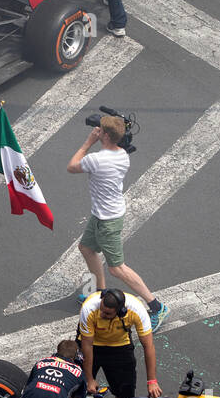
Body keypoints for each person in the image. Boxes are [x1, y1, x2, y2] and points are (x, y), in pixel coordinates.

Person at [68, 115, 169, 323]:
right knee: (86, 248)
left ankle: (157, 306)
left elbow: (72, 166)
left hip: (108, 221)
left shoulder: (96, 159)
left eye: (101, 130)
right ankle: (101, 294)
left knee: (117, 268)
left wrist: (88, 141)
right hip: (102, 214)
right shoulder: (123, 155)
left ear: (104, 135)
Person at [78, 288, 161, 398]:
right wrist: (89, 379)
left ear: (121, 311)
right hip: (92, 344)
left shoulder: (137, 310)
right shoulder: (89, 308)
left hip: (120, 346)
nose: (102, 314)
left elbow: (148, 346)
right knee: (77, 386)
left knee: (125, 393)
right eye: (101, 310)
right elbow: (87, 345)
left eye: (107, 314)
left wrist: (152, 381)